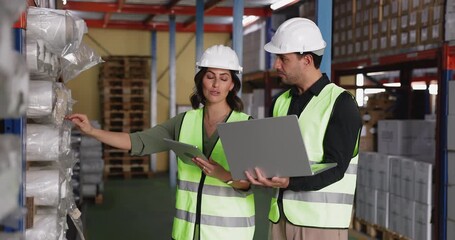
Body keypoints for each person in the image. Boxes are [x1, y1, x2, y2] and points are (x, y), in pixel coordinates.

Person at [67, 45, 255, 240]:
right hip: (187, 233)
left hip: (229, 234)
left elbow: (249, 182)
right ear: (201, 80)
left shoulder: (244, 124)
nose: (216, 84)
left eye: (223, 78)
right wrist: (92, 131)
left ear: (232, 85)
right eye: (210, 76)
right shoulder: (184, 122)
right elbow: (138, 141)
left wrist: (223, 174)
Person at [244, 18, 362, 240]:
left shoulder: (341, 103)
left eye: (283, 59)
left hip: (320, 225)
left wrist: (290, 182)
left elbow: (336, 168)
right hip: (279, 218)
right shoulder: (280, 101)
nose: (276, 65)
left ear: (307, 60)